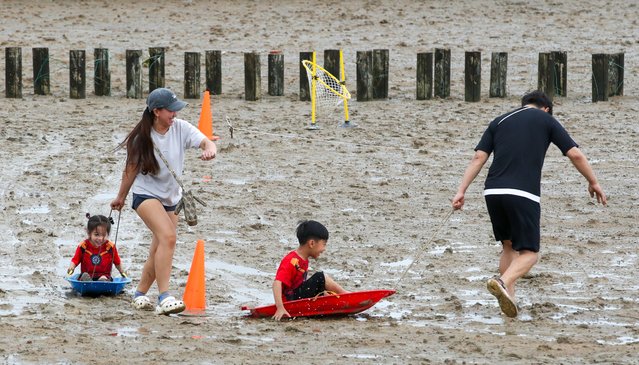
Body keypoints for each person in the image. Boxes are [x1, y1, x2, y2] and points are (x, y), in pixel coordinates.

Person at [452, 90, 607, 318]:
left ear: (524, 105)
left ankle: (509, 299)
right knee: (530, 253)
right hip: (523, 193)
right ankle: (502, 283)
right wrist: (593, 181)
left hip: (493, 191)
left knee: (508, 246)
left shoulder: (499, 120)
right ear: (546, 108)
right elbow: (575, 154)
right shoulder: (546, 119)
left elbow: (479, 157)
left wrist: (461, 190)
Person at [110, 87, 217, 315]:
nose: (175, 115)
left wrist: (210, 150)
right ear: (157, 111)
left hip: (172, 197)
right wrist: (120, 197)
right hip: (145, 195)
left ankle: (139, 294)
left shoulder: (180, 128)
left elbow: (206, 141)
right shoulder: (142, 138)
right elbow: (130, 170)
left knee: (159, 247)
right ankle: (164, 296)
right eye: (171, 110)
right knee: (168, 237)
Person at [272, 220, 349, 320]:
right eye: (324, 244)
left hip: (296, 296)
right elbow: (276, 283)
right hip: (290, 301)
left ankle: (336, 298)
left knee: (320, 287)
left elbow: (302, 286)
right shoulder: (291, 260)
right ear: (312, 243)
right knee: (320, 277)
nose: (324, 249)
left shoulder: (304, 260)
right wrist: (280, 308)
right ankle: (347, 295)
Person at [67, 214, 127, 281]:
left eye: (104, 235)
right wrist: (71, 268)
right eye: (96, 234)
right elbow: (75, 260)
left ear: (108, 234)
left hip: (104, 276)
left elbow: (117, 262)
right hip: (87, 276)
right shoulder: (83, 246)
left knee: (104, 278)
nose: (100, 238)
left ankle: (102, 282)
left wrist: (122, 272)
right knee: (84, 276)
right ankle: (87, 282)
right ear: (89, 233)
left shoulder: (110, 247)